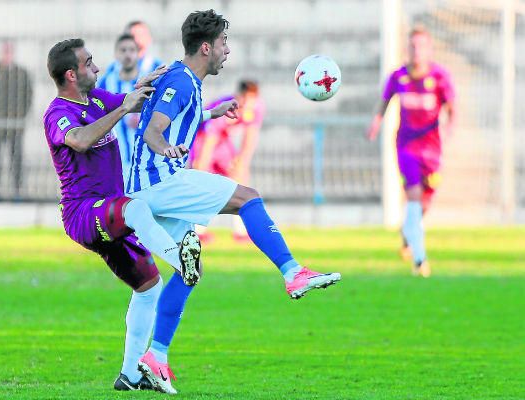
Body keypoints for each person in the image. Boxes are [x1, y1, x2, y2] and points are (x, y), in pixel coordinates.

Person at [125, 10, 341, 394]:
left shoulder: (187, 80)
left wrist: (213, 113)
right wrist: (166, 148)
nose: (227, 50)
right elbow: (154, 130)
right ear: (206, 47)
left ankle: (155, 357)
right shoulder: (181, 80)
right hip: (159, 181)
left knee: (190, 268)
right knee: (248, 197)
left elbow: (179, 116)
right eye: (223, 42)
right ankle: (293, 272)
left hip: (150, 186)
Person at [42, 38, 202, 392]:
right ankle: (181, 259)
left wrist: (161, 84)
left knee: (149, 288)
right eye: (89, 62)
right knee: (136, 207)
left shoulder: (97, 99)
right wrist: (122, 109)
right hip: (84, 213)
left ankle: (130, 375)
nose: (97, 67)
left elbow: (137, 100)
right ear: (71, 74)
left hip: (113, 215)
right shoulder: (57, 113)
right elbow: (80, 140)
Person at [366, 26, 456, 278]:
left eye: (421, 46)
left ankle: (408, 232)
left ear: (429, 49)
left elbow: (452, 106)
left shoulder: (440, 76)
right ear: (408, 48)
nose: (417, 50)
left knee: (425, 202)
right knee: (414, 196)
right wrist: (376, 122)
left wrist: (450, 127)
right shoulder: (399, 76)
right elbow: (385, 101)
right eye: (413, 46)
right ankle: (420, 259)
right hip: (406, 146)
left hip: (432, 148)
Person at [190, 80, 266, 243]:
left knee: (241, 180)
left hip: (223, 143)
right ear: (240, 96)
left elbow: (250, 136)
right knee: (203, 185)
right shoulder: (226, 106)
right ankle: (197, 231)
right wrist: (202, 165)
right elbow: (210, 138)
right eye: (247, 99)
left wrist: (243, 162)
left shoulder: (257, 107)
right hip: (203, 141)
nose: (250, 104)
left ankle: (241, 231)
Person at [0, 41, 33, 201]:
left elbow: (28, 96)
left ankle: (17, 191)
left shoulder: (22, 73)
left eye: (9, 52)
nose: (7, 55)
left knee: (17, 160)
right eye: (5, 52)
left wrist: (20, 116)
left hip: (15, 126)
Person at [98, 34, 150, 184]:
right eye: (123, 50)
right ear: (116, 54)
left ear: (138, 54)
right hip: (115, 161)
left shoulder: (148, 81)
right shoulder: (106, 82)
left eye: (132, 50)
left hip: (144, 161)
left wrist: (145, 119)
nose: (128, 54)